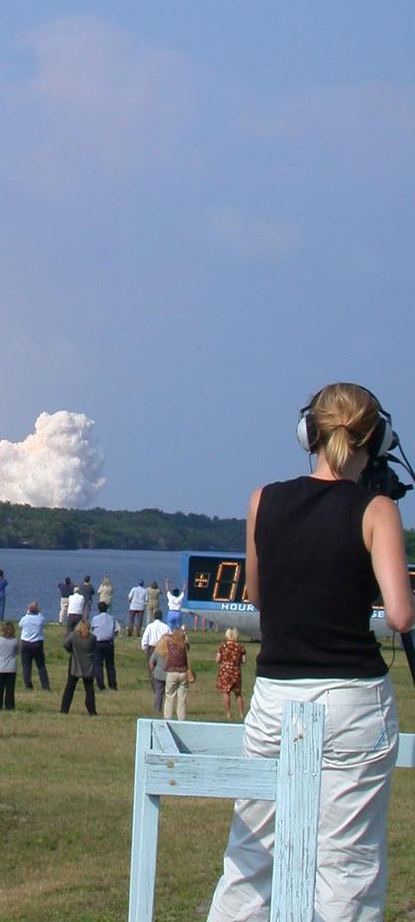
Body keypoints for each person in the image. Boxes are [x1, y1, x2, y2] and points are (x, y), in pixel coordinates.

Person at [208, 383, 415, 922]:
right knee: (346, 870)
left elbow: (255, 593)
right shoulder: (378, 509)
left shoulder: (263, 501)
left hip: (275, 698)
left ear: (310, 434)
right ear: (378, 439)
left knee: (251, 856)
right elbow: (400, 616)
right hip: (352, 700)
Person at [154, 619, 191, 720]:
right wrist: (185, 634)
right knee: (182, 698)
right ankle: (182, 719)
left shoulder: (169, 643)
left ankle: (168, 718)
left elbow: (163, 641)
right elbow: (188, 643)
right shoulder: (183, 645)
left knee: (170, 696)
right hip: (183, 672)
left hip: (172, 672)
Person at [61, 618, 98, 716]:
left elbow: (65, 643)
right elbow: (95, 648)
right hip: (88, 666)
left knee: (70, 688)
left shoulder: (74, 636)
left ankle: (64, 709)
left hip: (76, 665)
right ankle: (92, 710)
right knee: (89, 689)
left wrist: (71, 651)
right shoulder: (93, 638)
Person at [141, 613, 171, 713]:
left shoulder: (150, 626)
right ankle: (162, 688)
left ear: (154, 617)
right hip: (165, 648)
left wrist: (145, 648)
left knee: (152, 667)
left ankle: (155, 688)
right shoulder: (166, 627)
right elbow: (171, 637)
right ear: (162, 617)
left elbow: (145, 639)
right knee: (164, 667)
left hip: (152, 647)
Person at [215, 627, 246, 720]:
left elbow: (217, 660)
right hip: (236, 671)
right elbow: (244, 661)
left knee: (226, 692)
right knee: (238, 694)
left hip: (225, 671)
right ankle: (241, 714)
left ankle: (228, 714)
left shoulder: (222, 646)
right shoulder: (240, 647)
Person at [18, 601, 50, 690]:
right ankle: (45, 686)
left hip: (26, 643)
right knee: (41, 665)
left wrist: (27, 613)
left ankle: (28, 685)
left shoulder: (25, 619)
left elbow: (20, 625)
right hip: (37, 644)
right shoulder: (40, 619)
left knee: (26, 666)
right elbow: (44, 624)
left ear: (28, 610)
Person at [91, 600, 118, 690]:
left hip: (98, 643)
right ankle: (113, 685)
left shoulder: (95, 618)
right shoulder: (112, 618)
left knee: (98, 665)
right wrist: (113, 636)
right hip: (109, 643)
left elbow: (91, 629)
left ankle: (100, 685)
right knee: (110, 665)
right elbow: (117, 629)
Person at [0, 621, 19, 710]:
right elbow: (17, 652)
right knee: (10, 689)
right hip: (11, 667)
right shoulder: (15, 641)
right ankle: (10, 705)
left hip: (0, 667)